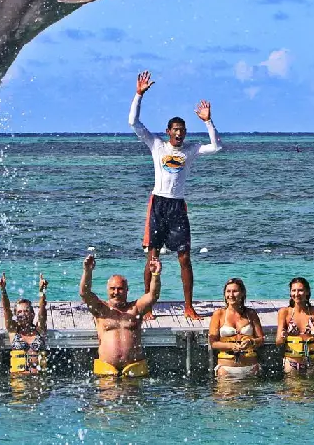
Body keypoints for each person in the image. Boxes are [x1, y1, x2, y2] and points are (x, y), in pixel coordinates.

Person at [129, 70, 222, 320]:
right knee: (153, 256)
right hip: (158, 203)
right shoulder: (157, 145)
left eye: (183, 130)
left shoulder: (190, 151)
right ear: (168, 131)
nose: (179, 133)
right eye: (176, 130)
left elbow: (216, 147)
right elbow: (134, 123)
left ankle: (188, 306)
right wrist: (139, 95)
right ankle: (147, 305)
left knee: (184, 258)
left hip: (178, 206)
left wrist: (207, 121)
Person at [79, 253, 161, 377]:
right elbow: (84, 293)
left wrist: (155, 275)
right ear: (107, 289)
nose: (116, 292)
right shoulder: (101, 309)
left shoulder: (135, 309)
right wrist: (87, 271)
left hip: (134, 370)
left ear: (127, 290)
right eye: (112, 288)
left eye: (120, 289)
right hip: (107, 371)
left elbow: (153, 296)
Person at [208, 278, 264, 378]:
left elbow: (261, 339)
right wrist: (231, 346)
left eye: (235, 291)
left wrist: (251, 342)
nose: (231, 295)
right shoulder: (219, 314)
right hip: (226, 368)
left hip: (250, 367)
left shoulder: (250, 314)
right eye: (228, 291)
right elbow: (213, 343)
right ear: (224, 294)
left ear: (242, 293)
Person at [0, 271, 49, 375]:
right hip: (18, 381)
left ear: (32, 314)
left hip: (39, 380)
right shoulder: (13, 330)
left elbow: (43, 309)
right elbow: (6, 310)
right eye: (19, 312)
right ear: (16, 315)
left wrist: (42, 291)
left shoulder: (40, 329)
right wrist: (3, 290)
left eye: (26, 311)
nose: (23, 314)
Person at [276, 277, 314, 374]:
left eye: (300, 290)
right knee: (292, 389)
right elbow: (278, 342)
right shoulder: (284, 312)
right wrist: (283, 337)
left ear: (307, 292)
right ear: (290, 292)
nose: (296, 294)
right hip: (292, 363)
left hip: (313, 363)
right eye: (293, 290)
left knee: (313, 389)